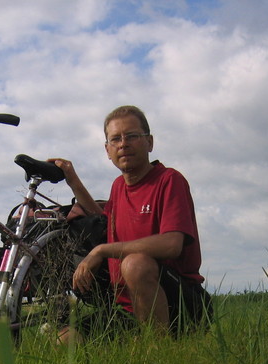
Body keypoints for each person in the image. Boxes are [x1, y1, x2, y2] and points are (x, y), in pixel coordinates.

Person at [51, 105, 211, 339]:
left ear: (150, 142)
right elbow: (105, 225)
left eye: (132, 136)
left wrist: (101, 251)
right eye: (115, 139)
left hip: (181, 303)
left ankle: (158, 353)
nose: (123, 144)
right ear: (107, 150)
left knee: (134, 264)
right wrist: (73, 180)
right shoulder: (118, 186)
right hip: (128, 308)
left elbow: (172, 244)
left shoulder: (169, 180)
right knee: (64, 339)